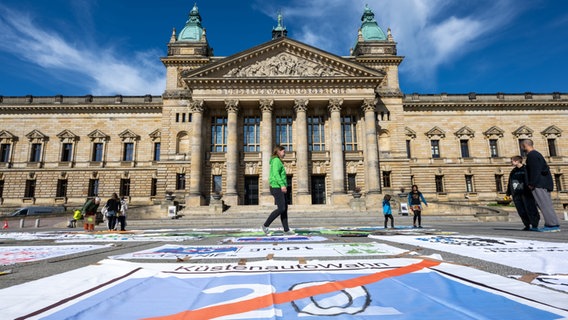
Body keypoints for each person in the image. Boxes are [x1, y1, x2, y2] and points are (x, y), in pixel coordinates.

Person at [521, 139, 561, 231]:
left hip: (539, 184)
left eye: (521, 146)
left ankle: (552, 225)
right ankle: (552, 224)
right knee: (545, 204)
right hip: (542, 183)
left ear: (524, 146)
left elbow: (536, 171)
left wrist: (532, 183)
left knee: (544, 205)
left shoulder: (532, 156)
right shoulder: (536, 154)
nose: (521, 148)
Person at [261, 145, 294, 236]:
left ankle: (286, 230)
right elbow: (276, 174)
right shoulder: (276, 161)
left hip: (280, 187)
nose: (285, 153)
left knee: (284, 209)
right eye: (284, 151)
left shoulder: (278, 161)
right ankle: (265, 225)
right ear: (279, 151)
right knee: (281, 208)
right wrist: (282, 185)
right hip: (277, 187)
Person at [506, 155, 539, 230]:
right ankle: (526, 225)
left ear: (517, 161)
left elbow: (531, 179)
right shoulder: (513, 171)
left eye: (512, 161)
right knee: (521, 210)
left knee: (530, 208)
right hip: (516, 193)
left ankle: (534, 225)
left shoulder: (526, 169)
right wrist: (508, 193)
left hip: (526, 192)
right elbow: (510, 182)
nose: (511, 162)